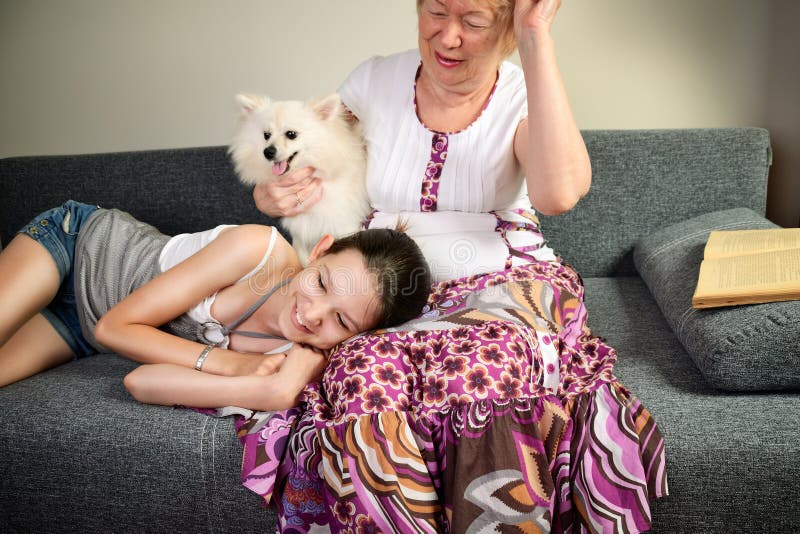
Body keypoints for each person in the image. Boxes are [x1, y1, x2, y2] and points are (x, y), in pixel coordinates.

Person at [241, 1, 666, 532]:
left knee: (485, 364)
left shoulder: (520, 92)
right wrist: (270, 192)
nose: (447, 37)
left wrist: (535, 37)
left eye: (473, 21)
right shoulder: (374, 80)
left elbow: (558, 193)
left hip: (508, 281)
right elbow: (304, 149)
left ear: (506, 27)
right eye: (436, 12)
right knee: (362, 371)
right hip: (387, 285)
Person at [0, 200, 432, 412]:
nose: (312, 314)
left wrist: (275, 391)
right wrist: (227, 364)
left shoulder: (291, 356)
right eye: (321, 282)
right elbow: (115, 327)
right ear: (318, 251)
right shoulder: (256, 251)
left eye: (341, 319)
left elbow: (141, 381)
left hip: (80, 326)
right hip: (77, 247)